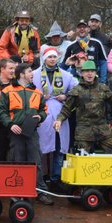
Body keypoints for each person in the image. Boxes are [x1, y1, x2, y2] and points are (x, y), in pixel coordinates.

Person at [54, 60, 112, 154]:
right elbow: (66, 109)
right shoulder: (76, 90)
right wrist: (59, 120)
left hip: (101, 128)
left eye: (92, 71)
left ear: (95, 73)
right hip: (84, 130)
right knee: (82, 156)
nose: (89, 74)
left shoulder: (102, 88)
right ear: (82, 73)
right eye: (87, 71)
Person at [0, 63, 53, 205]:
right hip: (15, 132)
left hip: (32, 132)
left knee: (36, 161)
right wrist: (10, 125)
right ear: (21, 74)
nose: (32, 74)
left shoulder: (37, 92)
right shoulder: (7, 91)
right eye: (29, 72)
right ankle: (16, 193)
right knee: (17, 161)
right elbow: (1, 111)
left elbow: (43, 109)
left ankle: (41, 191)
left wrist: (40, 117)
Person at [35, 47, 78, 187]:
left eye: (54, 57)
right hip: (42, 114)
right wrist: (40, 97)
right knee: (42, 146)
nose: (52, 59)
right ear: (44, 58)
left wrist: (66, 96)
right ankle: (41, 177)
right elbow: (28, 89)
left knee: (59, 147)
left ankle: (56, 177)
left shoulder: (66, 75)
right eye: (49, 57)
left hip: (60, 114)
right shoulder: (35, 74)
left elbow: (77, 89)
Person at [0, 58, 17, 161]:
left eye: (14, 68)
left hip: (9, 124)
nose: (13, 71)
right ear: (2, 69)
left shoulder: (16, 84)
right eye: (10, 68)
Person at [87, 14, 112, 81]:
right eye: (92, 21)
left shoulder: (105, 38)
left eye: (96, 22)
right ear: (89, 23)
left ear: (100, 24)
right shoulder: (85, 36)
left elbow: (104, 57)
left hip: (98, 69)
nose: (94, 24)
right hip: (84, 69)